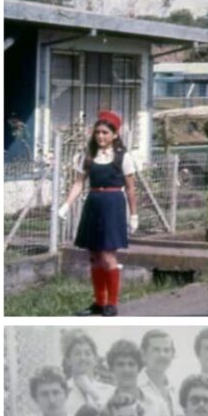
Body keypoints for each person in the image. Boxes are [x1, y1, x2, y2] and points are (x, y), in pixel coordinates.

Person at [56, 111, 138, 316]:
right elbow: (78, 183)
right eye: (98, 132)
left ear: (115, 135)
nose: (100, 136)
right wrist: (66, 204)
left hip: (113, 205)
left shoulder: (123, 158)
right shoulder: (88, 157)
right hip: (93, 204)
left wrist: (134, 214)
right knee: (94, 255)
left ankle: (112, 303)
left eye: (105, 132)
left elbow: (130, 188)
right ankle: (99, 302)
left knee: (108, 255)